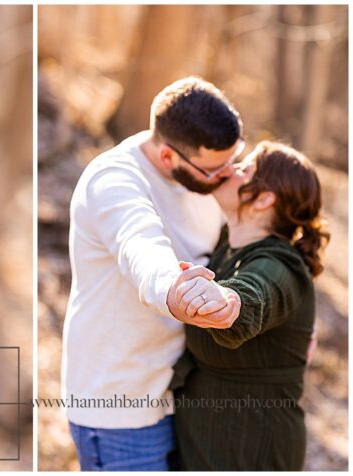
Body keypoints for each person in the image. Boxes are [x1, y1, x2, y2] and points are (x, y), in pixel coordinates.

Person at [61, 77, 247, 471]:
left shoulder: (204, 175)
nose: (229, 174)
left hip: (180, 392)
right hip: (118, 407)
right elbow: (140, 244)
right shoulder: (113, 181)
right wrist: (175, 289)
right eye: (216, 168)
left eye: (235, 159)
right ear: (167, 158)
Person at [171, 142, 327, 470]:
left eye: (245, 168)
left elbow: (258, 290)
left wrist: (230, 301)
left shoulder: (282, 264)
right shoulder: (229, 244)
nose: (230, 169)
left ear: (265, 198)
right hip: (206, 439)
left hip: (253, 447)